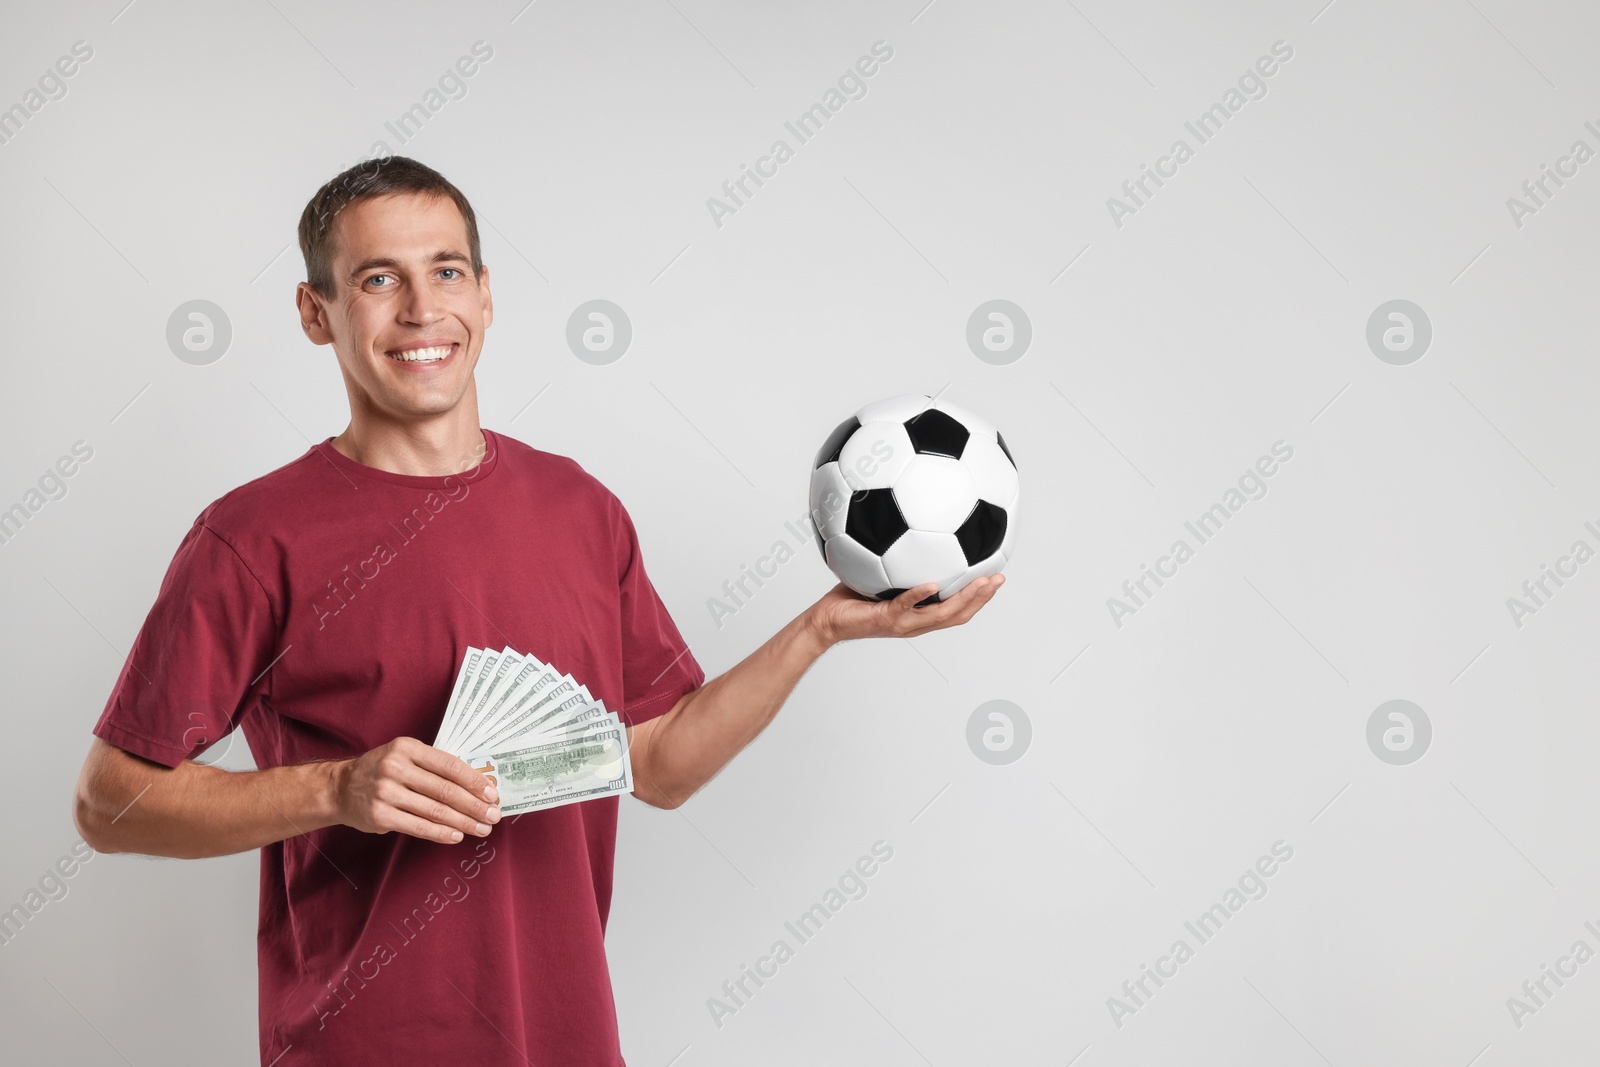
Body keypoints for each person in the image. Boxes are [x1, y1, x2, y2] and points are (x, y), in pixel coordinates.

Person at [71, 155, 1003, 1066]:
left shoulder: (580, 511)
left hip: (565, 1039)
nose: (421, 309)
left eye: (445, 271)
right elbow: (109, 801)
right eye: (376, 279)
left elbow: (659, 764)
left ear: (484, 293)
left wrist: (820, 629)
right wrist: (334, 790)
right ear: (316, 314)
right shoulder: (251, 536)